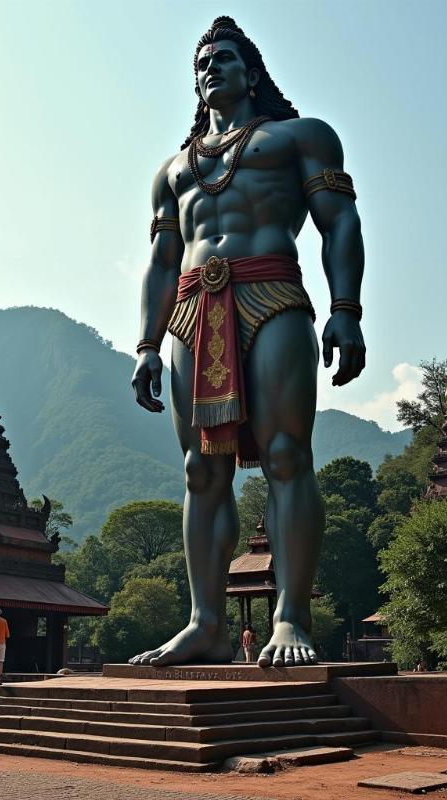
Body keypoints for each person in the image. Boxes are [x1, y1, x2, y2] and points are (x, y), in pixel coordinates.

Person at [130, 17, 365, 669]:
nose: (210, 68)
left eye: (224, 58)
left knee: (287, 454)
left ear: (250, 71)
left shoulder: (300, 138)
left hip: (271, 294)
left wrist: (346, 309)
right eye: (201, 61)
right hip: (191, 312)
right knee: (201, 470)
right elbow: (160, 258)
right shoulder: (174, 171)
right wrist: (147, 343)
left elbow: (339, 220)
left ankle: (290, 614)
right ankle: (206, 622)